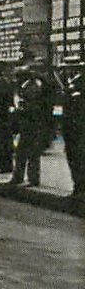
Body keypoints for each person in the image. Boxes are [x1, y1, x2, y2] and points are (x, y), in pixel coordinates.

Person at [10, 63, 53, 187]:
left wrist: (22, 107)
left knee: (31, 152)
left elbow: (34, 106)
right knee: (22, 152)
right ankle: (19, 177)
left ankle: (32, 178)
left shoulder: (32, 87)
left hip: (32, 124)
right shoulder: (26, 86)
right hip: (27, 124)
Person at [61, 56, 84, 198]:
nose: (68, 70)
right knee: (73, 158)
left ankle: (80, 188)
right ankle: (77, 187)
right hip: (70, 127)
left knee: (79, 158)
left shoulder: (81, 82)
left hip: (78, 127)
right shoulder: (70, 82)